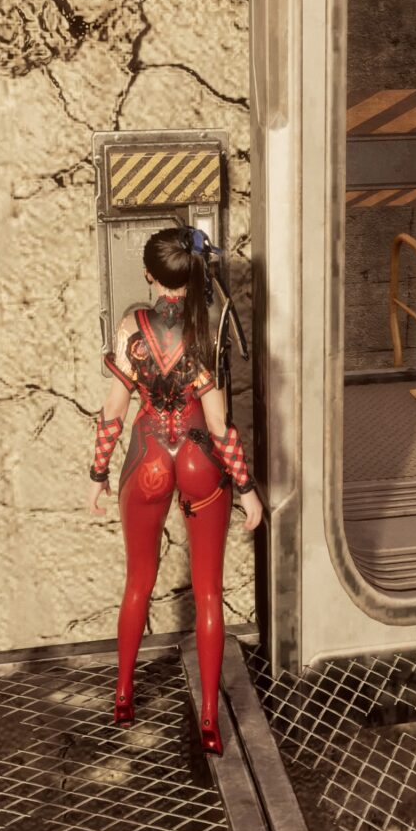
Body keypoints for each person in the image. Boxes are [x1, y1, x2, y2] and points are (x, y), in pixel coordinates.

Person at [87, 226, 263, 754]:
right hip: (196, 456)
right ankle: (209, 720)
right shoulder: (204, 332)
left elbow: (113, 411)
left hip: (147, 457)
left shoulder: (131, 328)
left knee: (137, 582)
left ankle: (123, 696)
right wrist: (246, 488)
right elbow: (220, 425)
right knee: (208, 591)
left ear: (150, 275)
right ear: (192, 278)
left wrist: (98, 474)